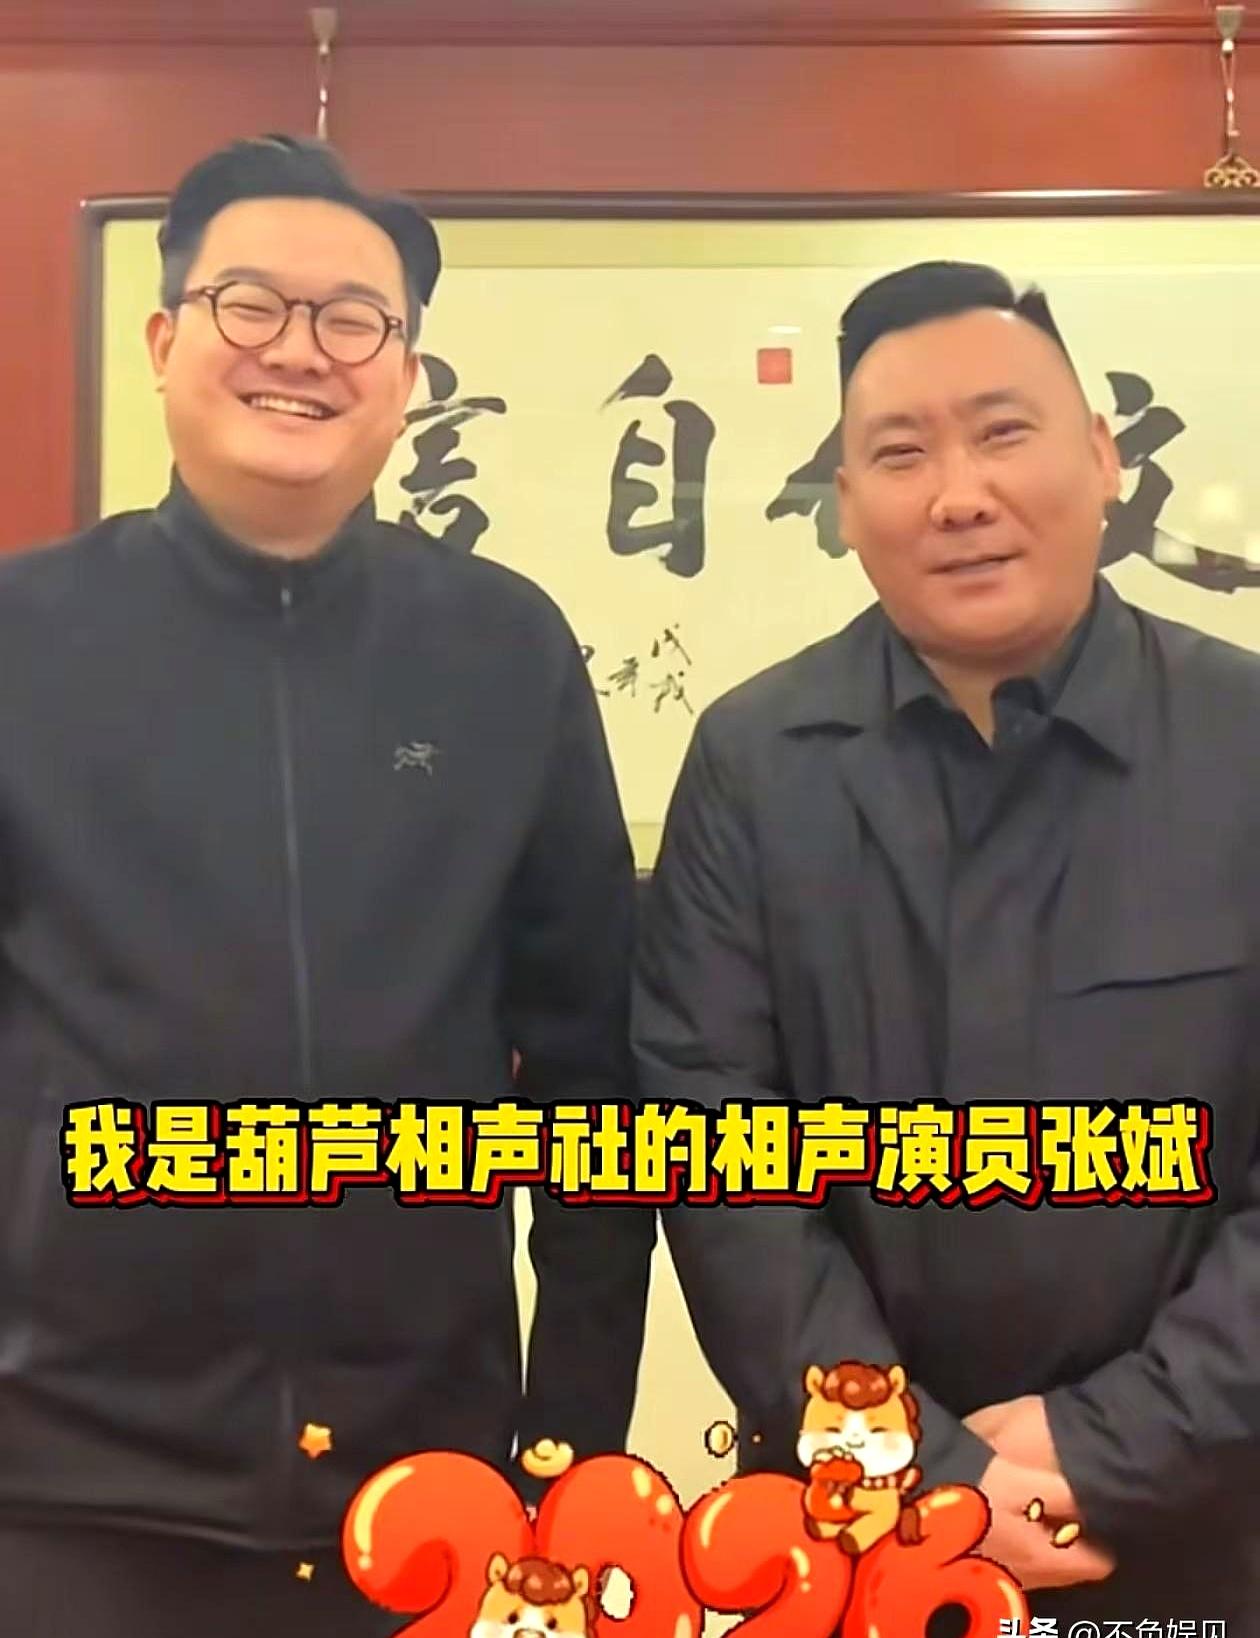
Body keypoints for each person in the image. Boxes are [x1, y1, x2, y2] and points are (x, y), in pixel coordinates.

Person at [0, 134, 654, 1635]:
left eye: (354, 319)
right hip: (60, 1488)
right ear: (162, 342)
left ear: (407, 375)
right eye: (249, 304)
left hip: (429, 1491)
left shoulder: (503, 650)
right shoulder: (23, 639)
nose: (300, 350)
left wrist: (567, 1452)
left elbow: (592, 1072)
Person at [633, 261, 1260, 1628]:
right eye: (900, 453)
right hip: (853, 1532)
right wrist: (921, 1464)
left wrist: (1110, 1441)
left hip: (1210, 1519)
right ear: (845, 500)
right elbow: (709, 1141)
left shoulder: (1243, 740)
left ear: (1103, 455)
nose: (958, 493)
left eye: (1003, 431)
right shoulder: (755, 763)